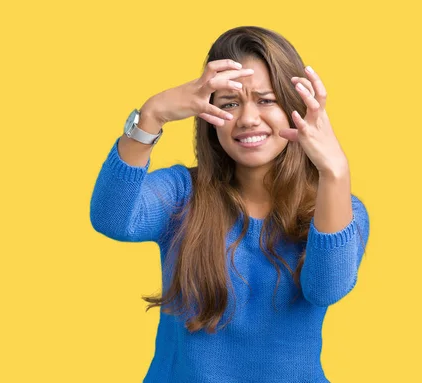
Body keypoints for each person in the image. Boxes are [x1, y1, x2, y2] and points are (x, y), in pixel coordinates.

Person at [89, 26, 370, 383]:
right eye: (229, 104)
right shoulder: (182, 193)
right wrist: (152, 114)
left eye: (266, 100)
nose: (248, 118)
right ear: (209, 118)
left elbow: (326, 288)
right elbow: (112, 218)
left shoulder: (340, 209)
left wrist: (335, 173)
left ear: (295, 108)